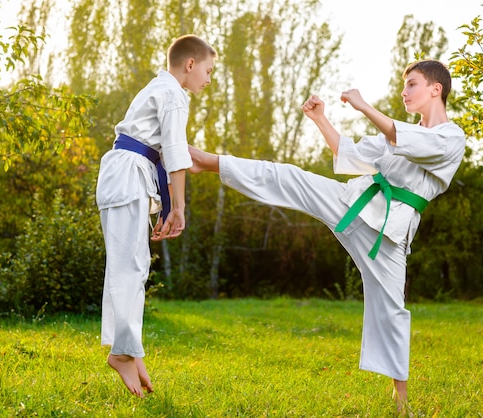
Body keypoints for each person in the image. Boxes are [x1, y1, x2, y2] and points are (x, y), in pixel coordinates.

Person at [188, 60, 465, 413]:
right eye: (404, 85)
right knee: (289, 177)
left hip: (389, 234)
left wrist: (364, 105)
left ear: (435, 89)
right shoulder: (396, 133)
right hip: (354, 203)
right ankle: (207, 161)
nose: (404, 91)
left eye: (411, 84)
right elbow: (350, 155)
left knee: (392, 310)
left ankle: (402, 402)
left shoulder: (451, 137)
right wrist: (320, 119)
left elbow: (400, 137)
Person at [95, 34, 217, 397]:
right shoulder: (173, 94)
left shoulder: (161, 88)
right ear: (190, 64)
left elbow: (163, 152)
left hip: (127, 174)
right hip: (127, 174)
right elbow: (176, 154)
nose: (209, 79)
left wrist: (166, 206)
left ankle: (131, 350)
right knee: (128, 266)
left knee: (133, 265)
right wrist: (178, 207)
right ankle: (123, 352)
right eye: (208, 70)